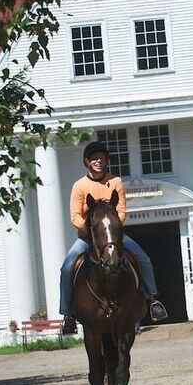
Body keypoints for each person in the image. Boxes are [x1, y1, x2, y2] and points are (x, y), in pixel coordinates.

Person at [60, 141, 168, 335]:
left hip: (113, 235)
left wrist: (113, 228)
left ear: (106, 160)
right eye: (94, 159)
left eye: (101, 158)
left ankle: (153, 300)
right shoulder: (80, 186)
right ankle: (68, 314)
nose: (98, 161)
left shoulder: (116, 181)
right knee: (67, 266)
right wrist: (90, 229)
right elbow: (75, 215)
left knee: (143, 259)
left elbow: (121, 210)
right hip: (88, 236)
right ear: (87, 162)